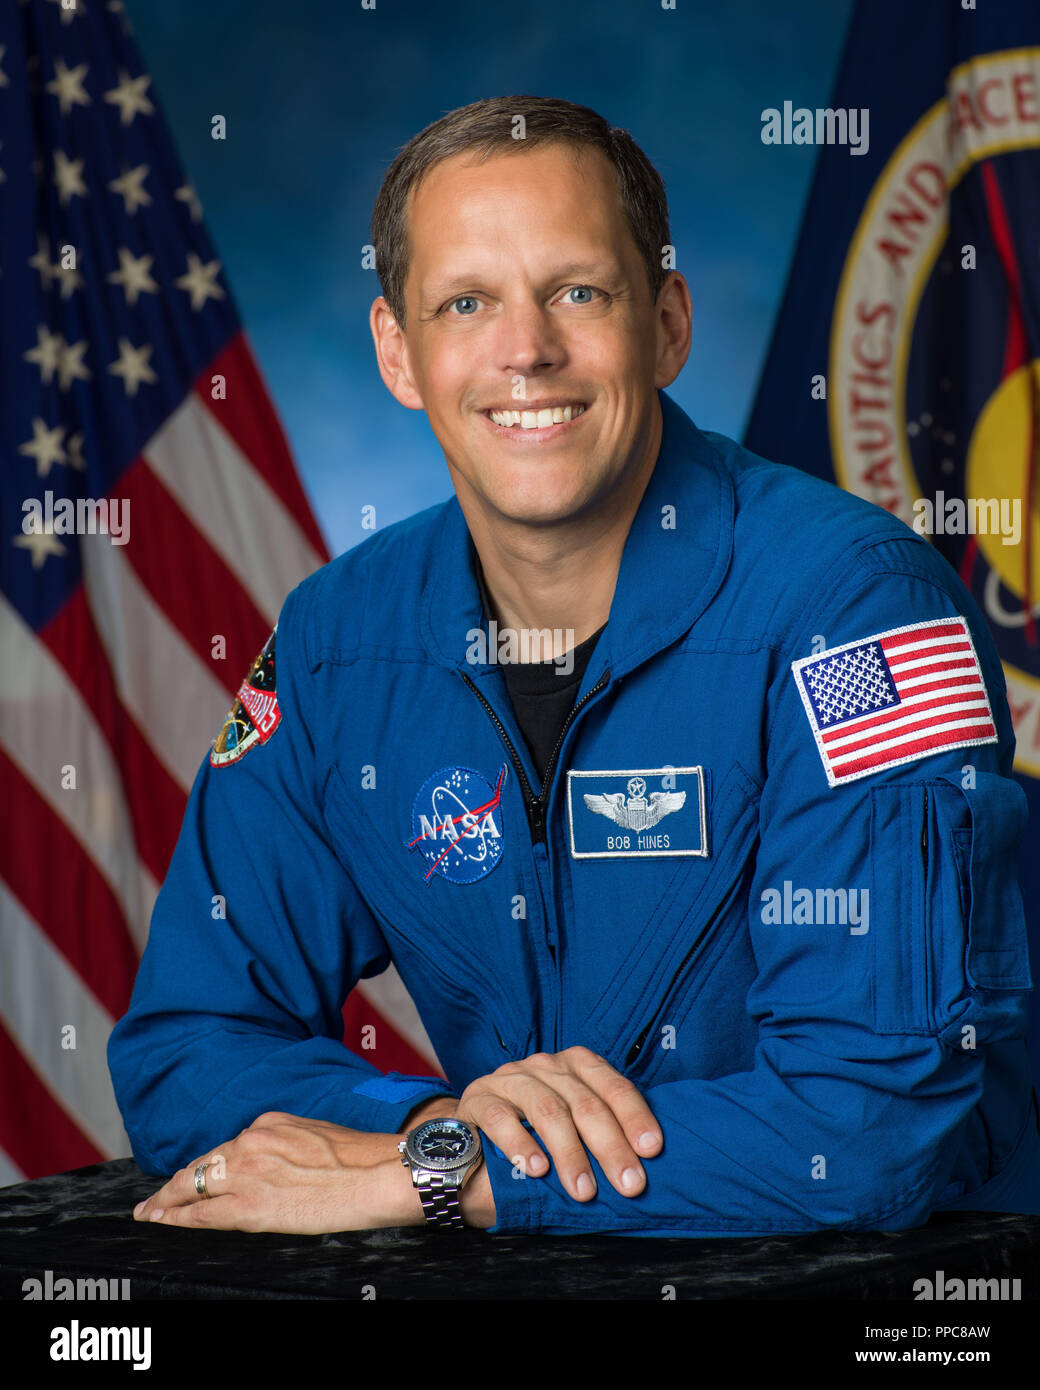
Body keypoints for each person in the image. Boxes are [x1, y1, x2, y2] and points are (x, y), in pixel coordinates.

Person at [110, 96, 1040, 1236]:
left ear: (667, 323)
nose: (525, 351)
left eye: (577, 292)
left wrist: (443, 1179)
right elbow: (184, 1047)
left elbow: (868, 1128)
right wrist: (436, 1127)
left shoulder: (856, 614)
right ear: (398, 355)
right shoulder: (337, 645)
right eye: (465, 303)